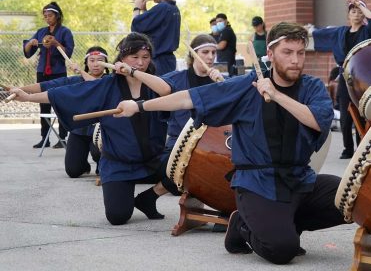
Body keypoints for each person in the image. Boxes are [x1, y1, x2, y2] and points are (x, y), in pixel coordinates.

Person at [114, 22, 346, 264]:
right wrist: (139, 106)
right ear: (270, 53)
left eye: (300, 52)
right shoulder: (247, 87)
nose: (295, 60)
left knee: (350, 199)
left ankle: (284, 222)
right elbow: (188, 99)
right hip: (258, 184)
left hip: (300, 179)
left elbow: (319, 121)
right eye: (287, 52)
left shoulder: (312, 86)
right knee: (283, 250)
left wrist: (276, 95)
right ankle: (243, 226)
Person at [11, 33, 179, 224]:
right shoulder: (106, 85)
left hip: (153, 160)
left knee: (186, 170)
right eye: (135, 57)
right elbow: (64, 93)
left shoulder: (154, 83)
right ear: (122, 58)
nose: (140, 62)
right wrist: (28, 97)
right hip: (119, 164)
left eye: (145, 57)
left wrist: (133, 72)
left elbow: (167, 90)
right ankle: (125, 193)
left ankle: (149, 198)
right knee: (118, 216)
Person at [310, 0, 371, 159]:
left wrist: (360, 4)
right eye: (353, 10)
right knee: (345, 113)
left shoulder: (368, 31)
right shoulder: (340, 32)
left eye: (360, 11)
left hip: (364, 75)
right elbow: (319, 33)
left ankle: (362, 146)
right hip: (345, 76)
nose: (357, 13)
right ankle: (347, 148)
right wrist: (305, 31)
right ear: (348, 15)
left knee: (362, 111)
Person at [19, 46, 109, 178]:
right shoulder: (75, 80)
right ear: (86, 63)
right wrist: (19, 89)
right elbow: (45, 86)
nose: (95, 64)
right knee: (73, 171)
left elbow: (98, 86)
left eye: (100, 60)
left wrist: (81, 72)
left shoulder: (111, 80)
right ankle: (85, 165)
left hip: (101, 130)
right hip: (79, 130)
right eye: (92, 60)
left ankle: (103, 164)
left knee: (99, 157)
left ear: (106, 62)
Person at [23, 2, 74, 149]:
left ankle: (62, 137)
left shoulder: (65, 32)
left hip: (58, 72)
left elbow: (68, 53)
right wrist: (31, 43)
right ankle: (44, 138)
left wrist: (56, 43)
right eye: (45, 16)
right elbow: (27, 52)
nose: (47, 18)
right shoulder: (41, 31)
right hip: (42, 72)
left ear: (57, 16)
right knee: (43, 105)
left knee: (60, 104)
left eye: (50, 15)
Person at [131, 0, 181, 75]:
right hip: (167, 61)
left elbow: (136, 28)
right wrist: (145, 10)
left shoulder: (162, 7)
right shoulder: (173, 8)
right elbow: (150, 27)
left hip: (158, 61)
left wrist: (136, 8)